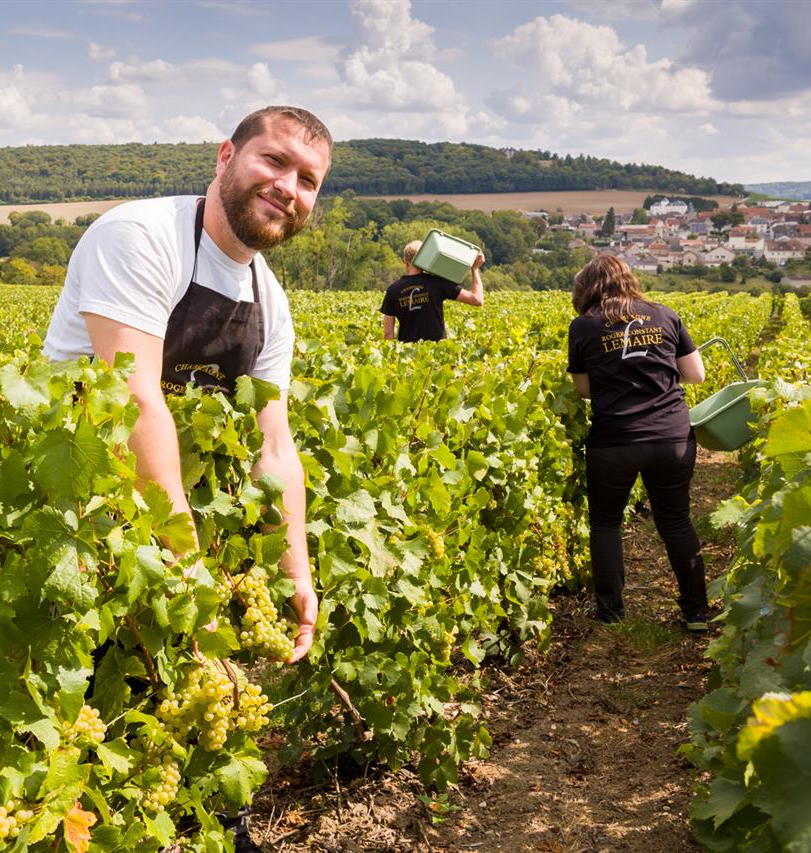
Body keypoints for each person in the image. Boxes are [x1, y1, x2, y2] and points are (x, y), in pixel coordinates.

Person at [43, 106, 329, 851]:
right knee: (85, 741)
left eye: (308, 179)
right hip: (74, 526)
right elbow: (134, 403)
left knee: (196, 717)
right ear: (226, 154)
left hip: (171, 527)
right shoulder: (141, 237)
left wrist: (296, 566)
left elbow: (274, 443)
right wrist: (187, 572)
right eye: (274, 161)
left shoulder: (270, 300)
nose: (289, 187)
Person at [566, 255, 714, 631]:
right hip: (671, 436)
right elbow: (696, 375)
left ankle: (611, 612)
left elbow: (583, 389)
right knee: (676, 520)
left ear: (588, 287)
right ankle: (696, 612)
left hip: (615, 439)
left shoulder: (583, 326)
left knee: (605, 523)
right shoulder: (665, 314)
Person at [380, 239, 484, 341]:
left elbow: (388, 333)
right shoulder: (438, 282)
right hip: (437, 350)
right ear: (425, 259)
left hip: (407, 351)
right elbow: (477, 300)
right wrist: (475, 269)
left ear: (405, 261)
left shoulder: (393, 290)